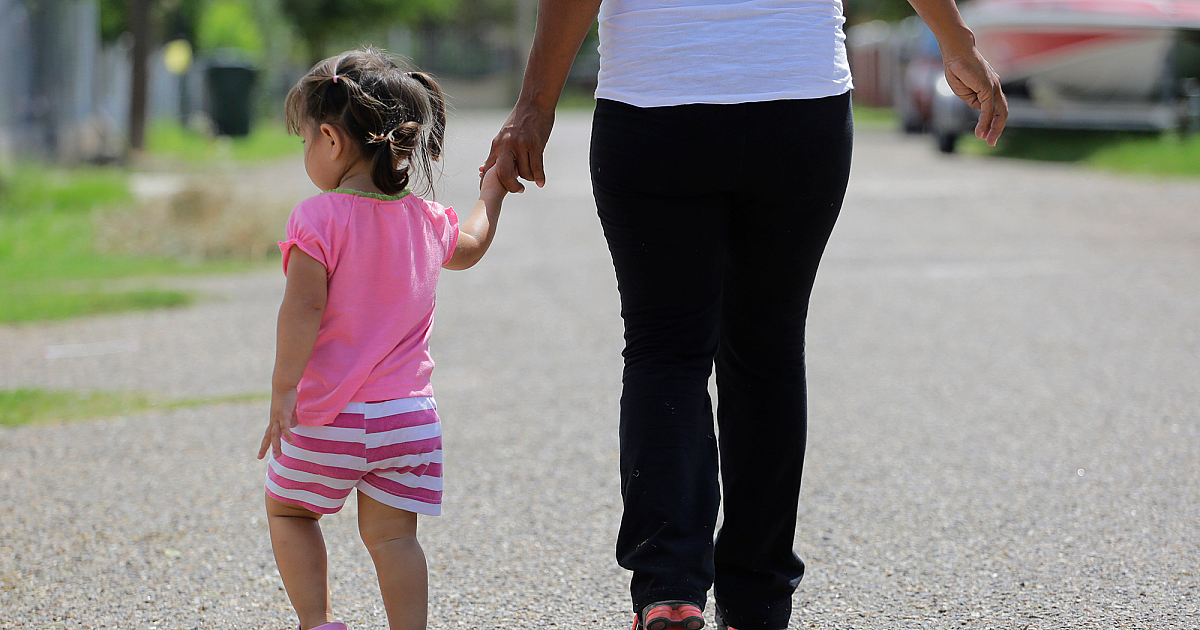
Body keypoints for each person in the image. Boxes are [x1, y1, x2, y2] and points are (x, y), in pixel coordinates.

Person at [481, 0, 1007, 629]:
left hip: (657, 100)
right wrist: (956, 40)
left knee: (665, 349)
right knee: (768, 348)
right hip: (797, 99)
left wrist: (535, 105)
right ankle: (758, 601)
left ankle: (669, 584)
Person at [257, 47, 508, 630]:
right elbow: (472, 245)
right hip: (408, 421)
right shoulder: (426, 218)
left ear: (330, 139)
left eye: (305, 141)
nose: (306, 153)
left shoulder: (316, 220)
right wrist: (491, 190)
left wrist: (283, 389)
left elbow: (302, 310)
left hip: (328, 417)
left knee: (290, 513)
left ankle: (319, 623)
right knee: (395, 539)